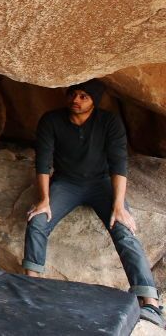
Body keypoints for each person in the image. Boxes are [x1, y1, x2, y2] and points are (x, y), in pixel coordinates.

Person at [24, 79, 164, 328]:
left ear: (94, 101)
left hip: (101, 184)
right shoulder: (51, 120)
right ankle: (30, 285)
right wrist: (44, 200)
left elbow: (119, 163)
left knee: (124, 230)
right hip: (66, 183)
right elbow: (43, 162)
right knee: (37, 221)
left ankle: (150, 302)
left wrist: (119, 206)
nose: (76, 100)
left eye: (83, 97)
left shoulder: (109, 122)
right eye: (73, 94)